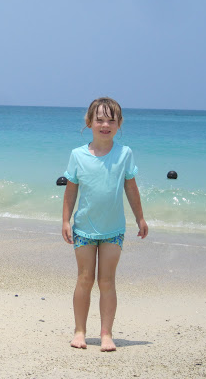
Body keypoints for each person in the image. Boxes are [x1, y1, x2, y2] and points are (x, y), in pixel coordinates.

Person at [62, 97, 148, 352]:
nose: (105, 125)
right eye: (99, 119)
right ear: (89, 122)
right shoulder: (77, 155)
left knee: (107, 281)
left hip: (113, 229)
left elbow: (131, 188)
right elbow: (71, 190)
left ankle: (106, 334)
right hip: (84, 229)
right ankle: (79, 331)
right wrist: (65, 220)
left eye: (111, 120)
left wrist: (140, 218)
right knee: (84, 279)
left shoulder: (124, 154)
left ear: (119, 124)